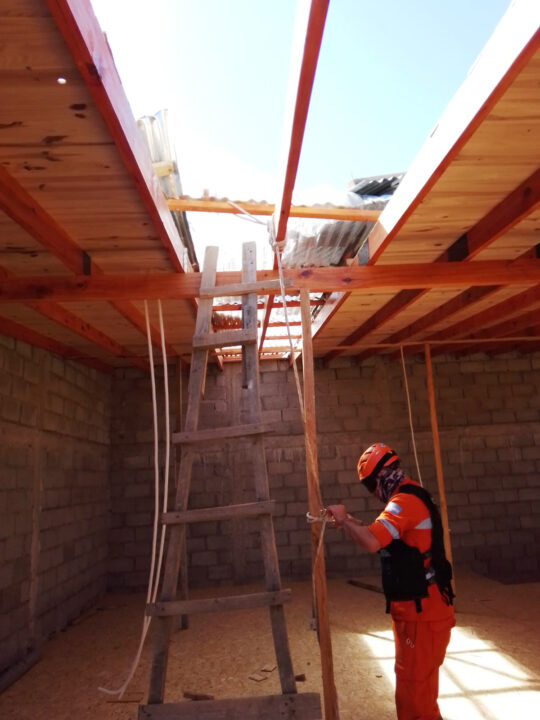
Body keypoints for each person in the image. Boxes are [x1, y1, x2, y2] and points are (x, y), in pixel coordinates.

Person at [326, 442, 455, 720]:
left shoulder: (403, 502)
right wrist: (347, 520)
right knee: (421, 696)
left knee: (415, 702)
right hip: (422, 613)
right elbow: (377, 532)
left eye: (371, 485)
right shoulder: (409, 494)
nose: (373, 493)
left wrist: (344, 520)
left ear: (381, 476)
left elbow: (372, 541)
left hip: (422, 617)